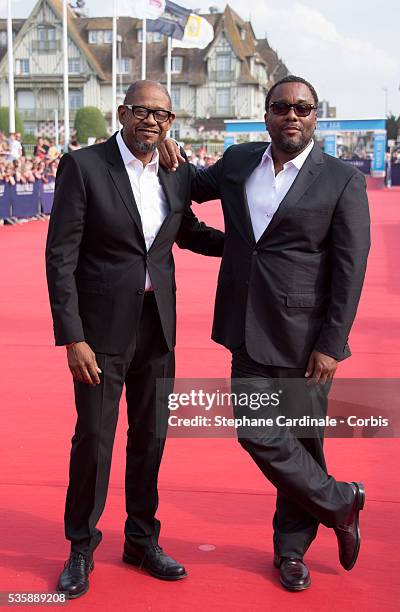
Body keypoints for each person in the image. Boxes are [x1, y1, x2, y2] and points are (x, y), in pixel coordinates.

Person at [159, 75, 370, 592]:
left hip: (306, 338)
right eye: (281, 107)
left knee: (302, 442)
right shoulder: (237, 162)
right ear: (267, 113)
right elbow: (187, 187)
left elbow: (350, 267)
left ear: (315, 115)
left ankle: (291, 552)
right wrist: (166, 156)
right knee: (256, 432)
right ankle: (341, 502)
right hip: (246, 328)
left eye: (302, 108)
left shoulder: (341, 179)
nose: (291, 115)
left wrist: (332, 343)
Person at [45, 80, 223, 599]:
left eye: (162, 115)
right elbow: (61, 256)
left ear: (171, 122)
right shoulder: (84, 167)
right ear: (122, 112)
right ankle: (81, 547)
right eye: (142, 111)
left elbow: (186, 231)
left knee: (151, 438)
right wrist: (71, 336)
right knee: (95, 440)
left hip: (157, 325)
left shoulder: (176, 170)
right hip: (100, 330)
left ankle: (142, 540)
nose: (151, 121)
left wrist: (246, 247)